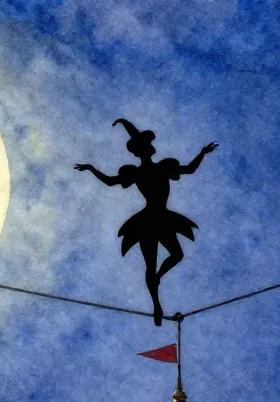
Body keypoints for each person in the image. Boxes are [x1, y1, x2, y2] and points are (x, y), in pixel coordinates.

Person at [75, 119, 217, 325]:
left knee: (173, 256)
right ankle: (156, 304)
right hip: (151, 220)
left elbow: (188, 169)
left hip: (159, 217)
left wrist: (202, 153)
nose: (153, 147)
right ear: (144, 149)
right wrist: (91, 168)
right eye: (149, 144)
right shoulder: (144, 171)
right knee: (154, 263)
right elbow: (110, 181)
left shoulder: (160, 168)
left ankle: (157, 279)